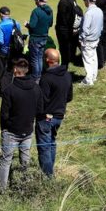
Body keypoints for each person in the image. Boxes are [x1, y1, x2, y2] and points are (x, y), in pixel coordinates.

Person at [0, 59, 40, 190]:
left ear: (15, 71)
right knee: (25, 160)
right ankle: (25, 186)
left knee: (6, 161)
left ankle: (1, 190)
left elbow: (4, 114)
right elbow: (40, 108)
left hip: (11, 131)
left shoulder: (9, 90)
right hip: (27, 130)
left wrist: (5, 128)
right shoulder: (36, 88)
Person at [36, 49, 72, 178]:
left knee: (44, 147)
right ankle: (50, 171)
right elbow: (69, 97)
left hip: (45, 118)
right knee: (51, 143)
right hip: (59, 116)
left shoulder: (46, 78)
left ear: (47, 60)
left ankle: (47, 177)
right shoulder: (67, 75)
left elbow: (42, 100)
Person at [25, 0, 53, 77]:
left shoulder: (36, 11)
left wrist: (27, 25)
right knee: (40, 58)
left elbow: (32, 25)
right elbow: (50, 24)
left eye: (35, 0)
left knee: (35, 59)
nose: (35, 1)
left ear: (38, 1)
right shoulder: (50, 11)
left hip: (35, 39)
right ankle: (39, 75)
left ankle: (36, 77)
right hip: (44, 38)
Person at [79, 0, 104, 85]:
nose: (84, 2)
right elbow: (101, 27)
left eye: (84, 0)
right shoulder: (99, 11)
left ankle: (88, 81)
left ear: (88, 1)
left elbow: (85, 29)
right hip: (96, 39)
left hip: (88, 40)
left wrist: (81, 38)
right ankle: (93, 77)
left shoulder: (88, 13)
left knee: (88, 60)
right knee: (93, 58)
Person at [55, 0, 81, 65]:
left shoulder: (63, 2)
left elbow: (62, 19)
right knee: (70, 47)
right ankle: (70, 60)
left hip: (64, 30)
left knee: (64, 48)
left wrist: (60, 29)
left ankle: (64, 65)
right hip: (70, 28)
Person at [0, 6, 20, 87]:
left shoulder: (0, 25)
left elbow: (0, 41)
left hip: (3, 52)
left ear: (1, 14)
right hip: (15, 50)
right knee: (12, 69)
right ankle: (13, 85)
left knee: (2, 70)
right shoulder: (16, 23)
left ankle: (4, 88)